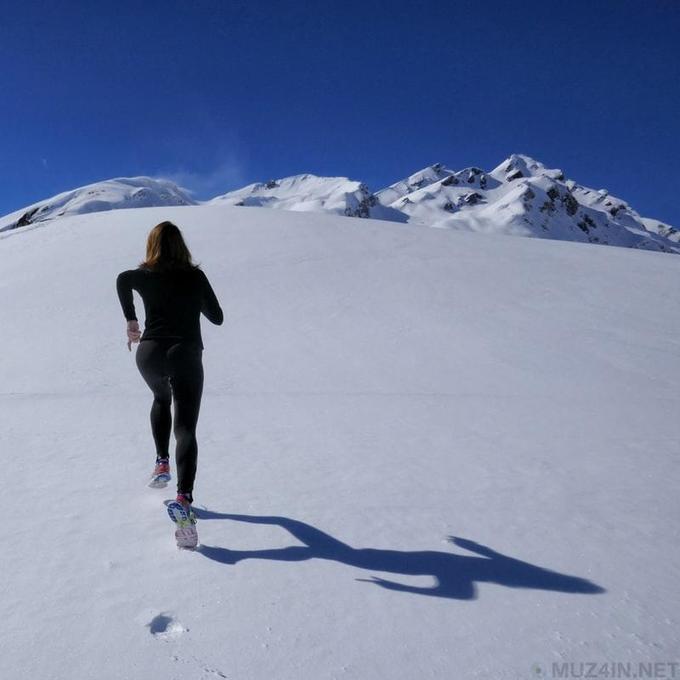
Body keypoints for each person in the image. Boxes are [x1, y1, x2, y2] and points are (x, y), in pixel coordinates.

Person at [116, 220, 223, 520]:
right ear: (182, 246)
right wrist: (192, 301)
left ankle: (162, 462)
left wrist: (131, 320)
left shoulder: (143, 275)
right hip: (185, 353)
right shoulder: (195, 277)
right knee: (186, 427)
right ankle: (183, 498)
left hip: (149, 353)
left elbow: (123, 279)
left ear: (152, 245)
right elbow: (217, 318)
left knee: (161, 398)